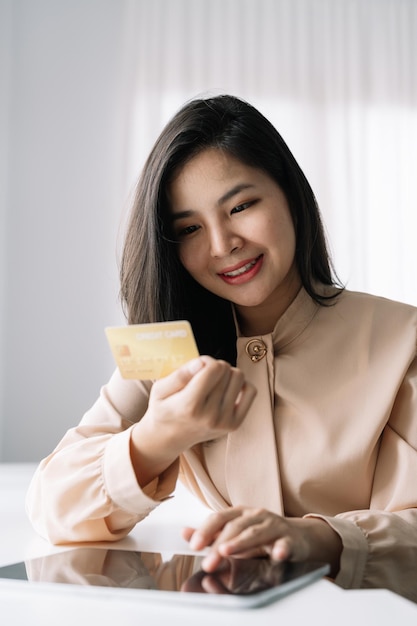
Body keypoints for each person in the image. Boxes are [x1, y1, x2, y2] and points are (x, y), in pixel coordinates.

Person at [26, 94, 417, 602]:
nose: (221, 244)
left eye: (240, 206)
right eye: (188, 228)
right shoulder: (167, 350)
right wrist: (156, 438)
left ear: (291, 196)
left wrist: (321, 539)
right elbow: (51, 505)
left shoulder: (402, 340)